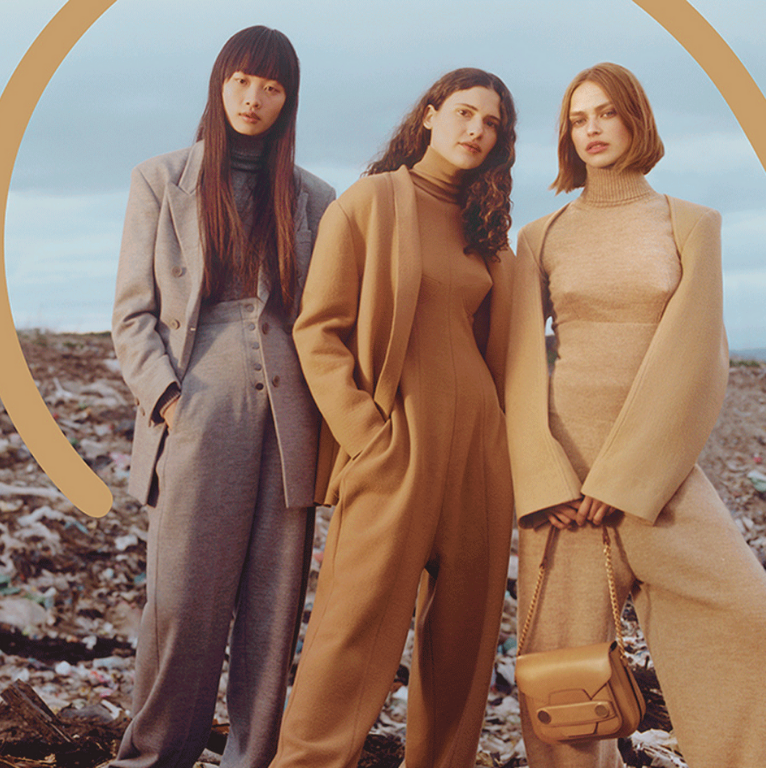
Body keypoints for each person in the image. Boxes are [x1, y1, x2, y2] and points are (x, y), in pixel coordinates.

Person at [504, 62, 766, 767]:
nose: (593, 129)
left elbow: (699, 358)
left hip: (657, 482)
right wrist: (545, 484)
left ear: (636, 120)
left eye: (606, 113)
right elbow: (518, 366)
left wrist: (629, 477)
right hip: (565, 489)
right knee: (563, 682)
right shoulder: (540, 236)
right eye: (578, 119)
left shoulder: (691, 224)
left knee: (761, 628)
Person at [269, 68, 517, 768]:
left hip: (479, 457)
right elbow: (317, 332)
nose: (476, 130)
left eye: (492, 123)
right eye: (465, 113)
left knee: (463, 657)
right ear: (431, 115)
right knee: (350, 638)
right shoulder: (373, 203)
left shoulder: (487, 226)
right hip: (394, 450)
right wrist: (367, 437)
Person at [109, 25, 335, 768]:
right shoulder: (160, 179)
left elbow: (324, 316)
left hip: (290, 416)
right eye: (243, 80)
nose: (255, 98)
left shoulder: (312, 198)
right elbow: (133, 313)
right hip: (198, 405)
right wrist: (169, 402)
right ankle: (153, 756)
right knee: (181, 604)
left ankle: (252, 760)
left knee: (272, 615)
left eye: (272, 88)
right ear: (220, 83)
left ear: (288, 101)